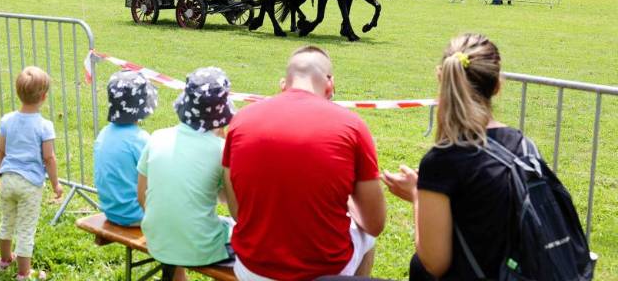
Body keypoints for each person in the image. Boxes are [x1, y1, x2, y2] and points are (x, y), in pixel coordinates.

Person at [381, 34, 543, 280]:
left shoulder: (441, 162)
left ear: (442, 80)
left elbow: (434, 262)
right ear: (498, 86)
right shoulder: (524, 146)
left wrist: (417, 195)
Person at [224, 46, 386, 281]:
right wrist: (348, 199)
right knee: (368, 238)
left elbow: (237, 210)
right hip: (324, 272)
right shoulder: (353, 126)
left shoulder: (240, 120)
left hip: (252, 268)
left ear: (283, 84)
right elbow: (374, 224)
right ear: (330, 85)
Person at [138, 67, 237, 281]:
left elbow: (142, 194)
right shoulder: (221, 150)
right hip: (201, 248)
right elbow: (233, 206)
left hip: (157, 238)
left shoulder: (157, 137)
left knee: (184, 227)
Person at [0, 66, 63, 281]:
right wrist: (55, 184)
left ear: (17, 92)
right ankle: (23, 273)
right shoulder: (44, 126)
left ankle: (4, 261)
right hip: (30, 184)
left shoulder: (7, 120)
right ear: (44, 96)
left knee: (7, 221)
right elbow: (49, 158)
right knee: (26, 229)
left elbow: (2, 150)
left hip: (7, 179)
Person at [94, 71, 157, 226]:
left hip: (111, 211)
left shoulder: (104, 133)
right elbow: (157, 178)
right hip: (137, 215)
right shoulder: (140, 139)